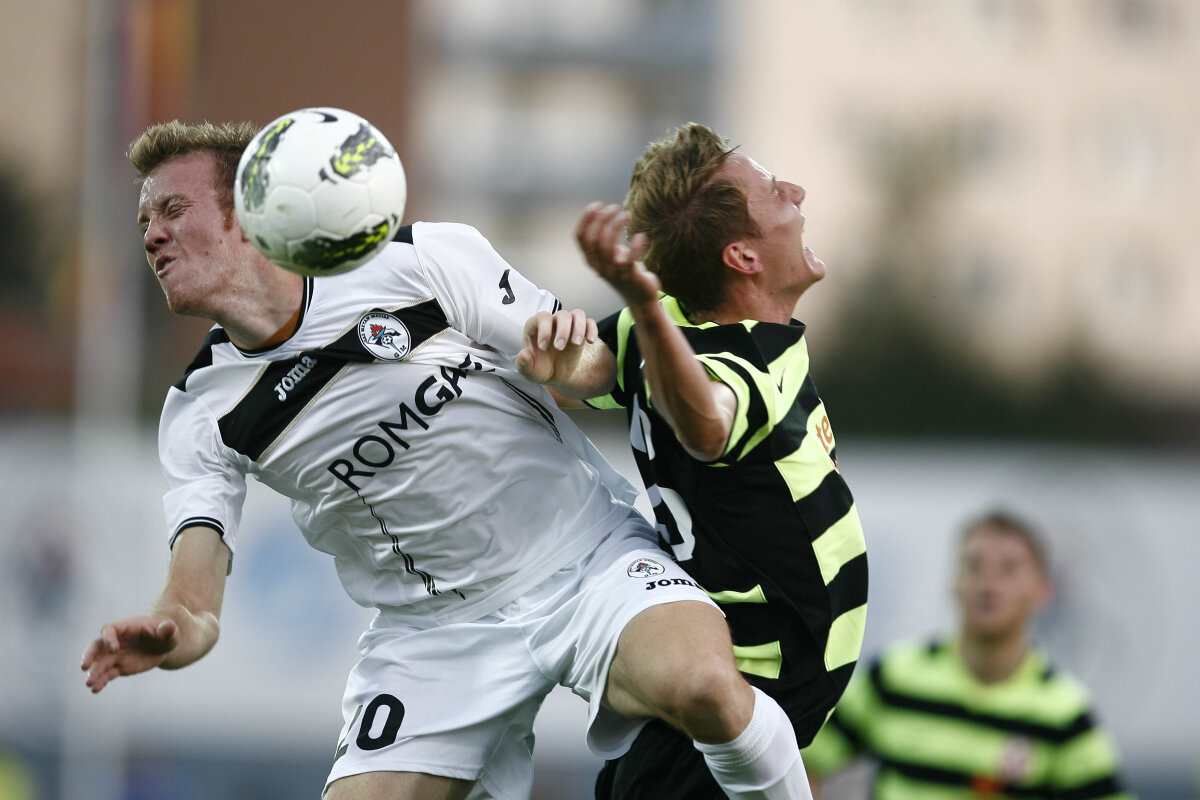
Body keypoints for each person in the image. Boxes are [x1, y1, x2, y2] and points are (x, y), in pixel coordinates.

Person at [79, 119, 814, 800]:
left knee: (705, 689)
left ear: (250, 208)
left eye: (172, 210)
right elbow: (194, 602)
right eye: (144, 221)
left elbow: (593, 371)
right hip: (432, 637)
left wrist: (562, 357)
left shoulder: (420, 260)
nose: (152, 236)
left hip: (585, 558)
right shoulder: (200, 411)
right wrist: (170, 635)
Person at [517, 122, 868, 799]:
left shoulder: (678, 323)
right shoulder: (736, 355)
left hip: (730, 693)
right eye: (773, 193)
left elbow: (584, 372)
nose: (796, 191)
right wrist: (627, 311)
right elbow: (706, 423)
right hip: (748, 688)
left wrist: (560, 364)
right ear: (742, 256)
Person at [801, 509, 1136, 800]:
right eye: (974, 566)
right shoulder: (893, 677)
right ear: (954, 582)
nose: (988, 584)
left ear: (1043, 590)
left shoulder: (1065, 713)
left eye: (1009, 569)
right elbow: (803, 762)